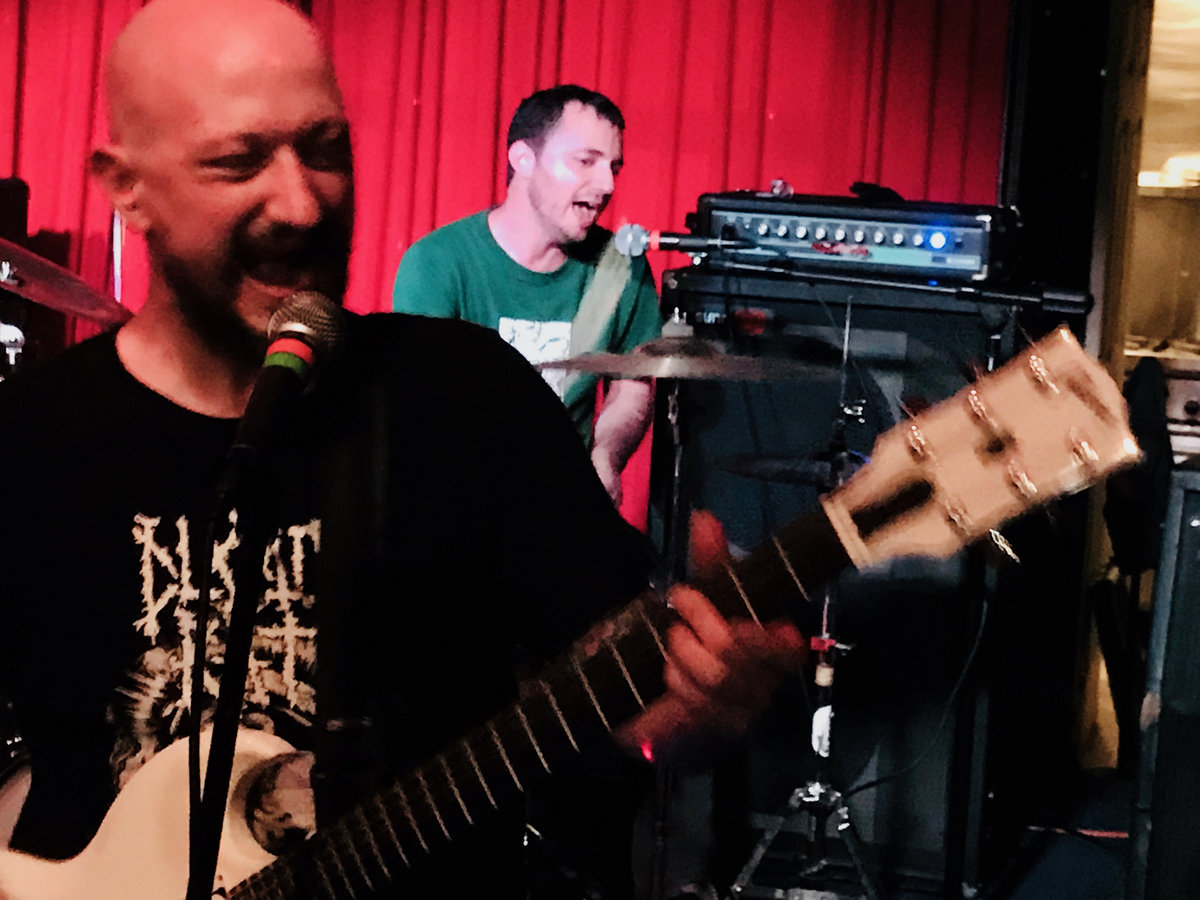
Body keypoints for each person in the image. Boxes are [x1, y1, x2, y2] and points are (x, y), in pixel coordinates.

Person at [0, 2, 805, 899]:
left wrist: (700, 704)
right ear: (126, 187)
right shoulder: (31, 439)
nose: (302, 202)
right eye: (238, 160)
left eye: (326, 150)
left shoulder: (466, 400)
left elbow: (629, 696)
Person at [392, 85, 661, 506]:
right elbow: (420, 404)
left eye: (614, 167)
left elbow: (632, 383)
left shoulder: (621, 267)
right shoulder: (438, 263)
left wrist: (605, 456)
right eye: (586, 161)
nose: (607, 184)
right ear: (523, 159)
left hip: (564, 505)